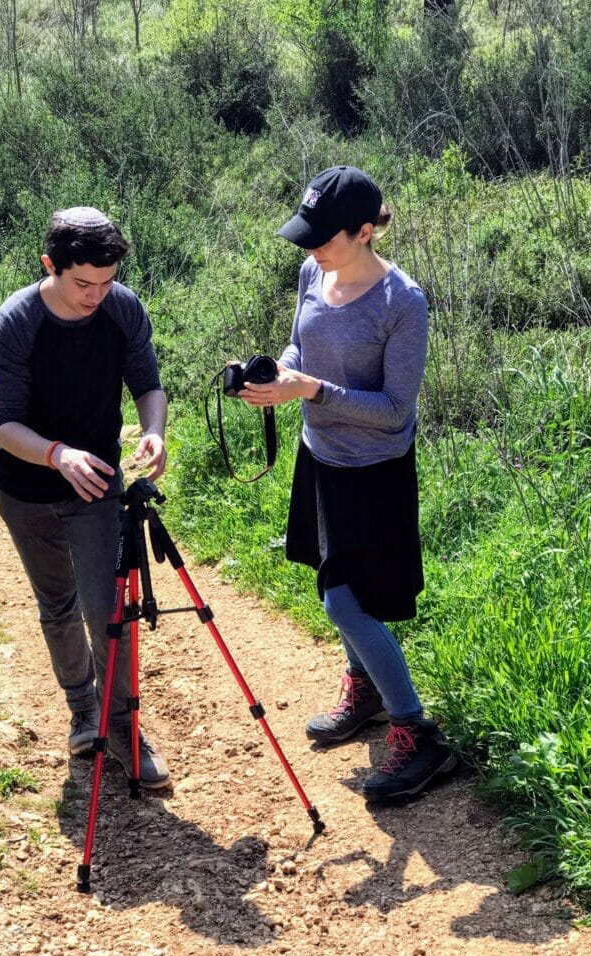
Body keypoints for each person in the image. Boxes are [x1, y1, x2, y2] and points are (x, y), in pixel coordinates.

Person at [238, 166, 457, 802]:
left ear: (364, 232)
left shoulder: (402, 303)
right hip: (321, 458)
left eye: (323, 237)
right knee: (334, 583)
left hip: (374, 472)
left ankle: (420, 734)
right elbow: (299, 349)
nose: (310, 249)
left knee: (345, 602)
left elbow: (395, 408)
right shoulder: (314, 271)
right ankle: (365, 692)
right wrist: (276, 375)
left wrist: (311, 391)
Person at [0, 206, 171, 788]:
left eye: (106, 280)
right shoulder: (15, 323)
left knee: (108, 608)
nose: (96, 294)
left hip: (96, 481)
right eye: (82, 283)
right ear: (50, 266)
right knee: (58, 604)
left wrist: (155, 430)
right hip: (28, 484)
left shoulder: (122, 309)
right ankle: (82, 711)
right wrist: (56, 454)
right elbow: (3, 426)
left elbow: (148, 384)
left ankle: (122, 728)